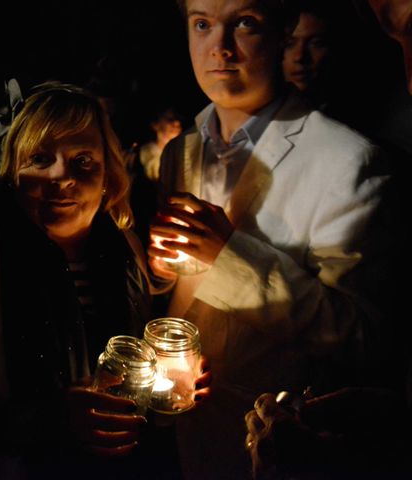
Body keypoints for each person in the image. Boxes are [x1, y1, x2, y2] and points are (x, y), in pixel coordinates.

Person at [0, 80, 211, 480]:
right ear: (11, 171)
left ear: (107, 173)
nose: (60, 177)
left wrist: (170, 386)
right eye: (39, 158)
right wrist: (46, 422)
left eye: (83, 160)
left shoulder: (124, 247)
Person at [149, 0, 392, 477]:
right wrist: (164, 272)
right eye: (202, 24)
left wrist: (230, 259)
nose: (219, 49)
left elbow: (362, 337)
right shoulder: (183, 149)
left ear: (284, 32)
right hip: (185, 429)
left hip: (274, 442)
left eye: (243, 24)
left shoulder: (349, 160)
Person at [244, 2, 412, 478]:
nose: (300, 58)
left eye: (316, 42)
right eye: (291, 42)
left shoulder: (369, 149)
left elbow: (365, 328)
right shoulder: (232, 135)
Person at [139, 107, 183, 182]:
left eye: (178, 119)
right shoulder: (145, 153)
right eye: (170, 119)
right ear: (155, 125)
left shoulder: (183, 152)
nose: (176, 123)